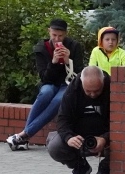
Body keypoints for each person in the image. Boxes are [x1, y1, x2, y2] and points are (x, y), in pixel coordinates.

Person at [5, 18, 84, 151]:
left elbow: (79, 74)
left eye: (61, 36)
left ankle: (23, 135)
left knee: (59, 100)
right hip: (50, 83)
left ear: (66, 34)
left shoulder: (74, 46)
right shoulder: (41, 48)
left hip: (67, 84)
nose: (57, 39)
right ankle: (24, 137)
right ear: (49, 32)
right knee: (46, 93)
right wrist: (53, 62)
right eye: (54, 35)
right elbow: (44, 77)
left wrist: (67, 61)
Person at [46, 65, 110, 174]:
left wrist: (105, 138)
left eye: (97, 91)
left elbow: (122, 123)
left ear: (103, 83)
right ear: (81, 83)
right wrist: (69, 137)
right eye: (88, 91)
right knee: (55, 145)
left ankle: (106, 168)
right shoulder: (72, 91)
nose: (92, 95)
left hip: (105, 136)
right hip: (79, 137)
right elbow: (62, 119)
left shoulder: (113, 88)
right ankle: (80, 166)